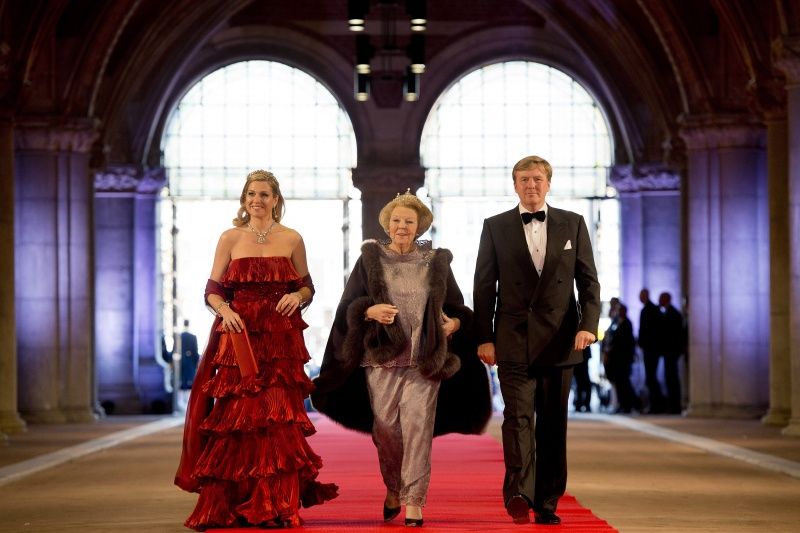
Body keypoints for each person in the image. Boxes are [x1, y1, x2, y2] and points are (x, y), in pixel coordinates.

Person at [311, 190, 492, 528]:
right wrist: (369, 310)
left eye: (409, 221)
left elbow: (456, 306)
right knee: (386, 429)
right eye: (396, 220)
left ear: (419, 226)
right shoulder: (370, 260)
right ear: (387, 224)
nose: (402, 226)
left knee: (418, 428)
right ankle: (393, 487)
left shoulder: (436, 262)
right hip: (381, 357)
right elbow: (348, 305)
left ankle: (414, 501)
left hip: (425, 359)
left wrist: (454, 324)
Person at [174, 170, 338, 530]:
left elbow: (307, 287)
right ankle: (232, 504)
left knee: (277, 419)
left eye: (264, 194)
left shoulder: (292, 238)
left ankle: (276, 504)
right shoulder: (230, 237)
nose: (256, 200)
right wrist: (225, 310)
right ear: (244, 198)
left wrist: (298, 297)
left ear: (275, 199)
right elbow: (212, 290)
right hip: (239, 337)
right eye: (251, 194)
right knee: (238, 418)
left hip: (280, 340)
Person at [473, 155, 600, 526]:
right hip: (512, 338)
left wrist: (588, 325)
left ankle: (546, 501)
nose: (531, 185)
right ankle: (518, 492)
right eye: (524, 179)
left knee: (552, 424)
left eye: (537, 179)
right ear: (515, 185)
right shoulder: (495, 226)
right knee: (517, 419)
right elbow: (484, 287)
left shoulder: (573, 223)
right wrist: (484, 338)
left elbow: (588, 282)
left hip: (561, 341)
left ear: (548, 183)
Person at [603, 304, 638, 413]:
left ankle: (628, 405)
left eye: (620, 310)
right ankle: (621, 404)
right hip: (616, 359)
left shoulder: (627, 323)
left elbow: (626, 342)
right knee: (619, 382)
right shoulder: (616, 322)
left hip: (624, 359)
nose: (618, 312)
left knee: (624, 382)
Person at [638, 288, 665, 413]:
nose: (640, 297)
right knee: (650, 377)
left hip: (651, 349)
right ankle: (656, 405)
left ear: (646, 296)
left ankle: (657, 405)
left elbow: (653, 330)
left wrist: (643, 343)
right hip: (650, 348)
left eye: (641, 295)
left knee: (651, 377)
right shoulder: (649, 309)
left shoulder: (651, 310)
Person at [658, 292, 685, 414]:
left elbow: (675, 335)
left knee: (672, 378)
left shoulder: (674, 314)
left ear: (667, 299)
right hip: (668, 351)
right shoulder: (667, 313)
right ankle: (672, 405)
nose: (659, 301)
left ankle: (675, 405)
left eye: (661, 298)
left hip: (672, 351)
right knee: (669, 378)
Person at [179, 319, 199, 390]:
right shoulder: (193, 337)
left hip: (180, 361)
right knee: (190, 384)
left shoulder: (179, 336)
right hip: (190, 362)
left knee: (182, 382)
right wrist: (196, 362)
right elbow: (195, 351)